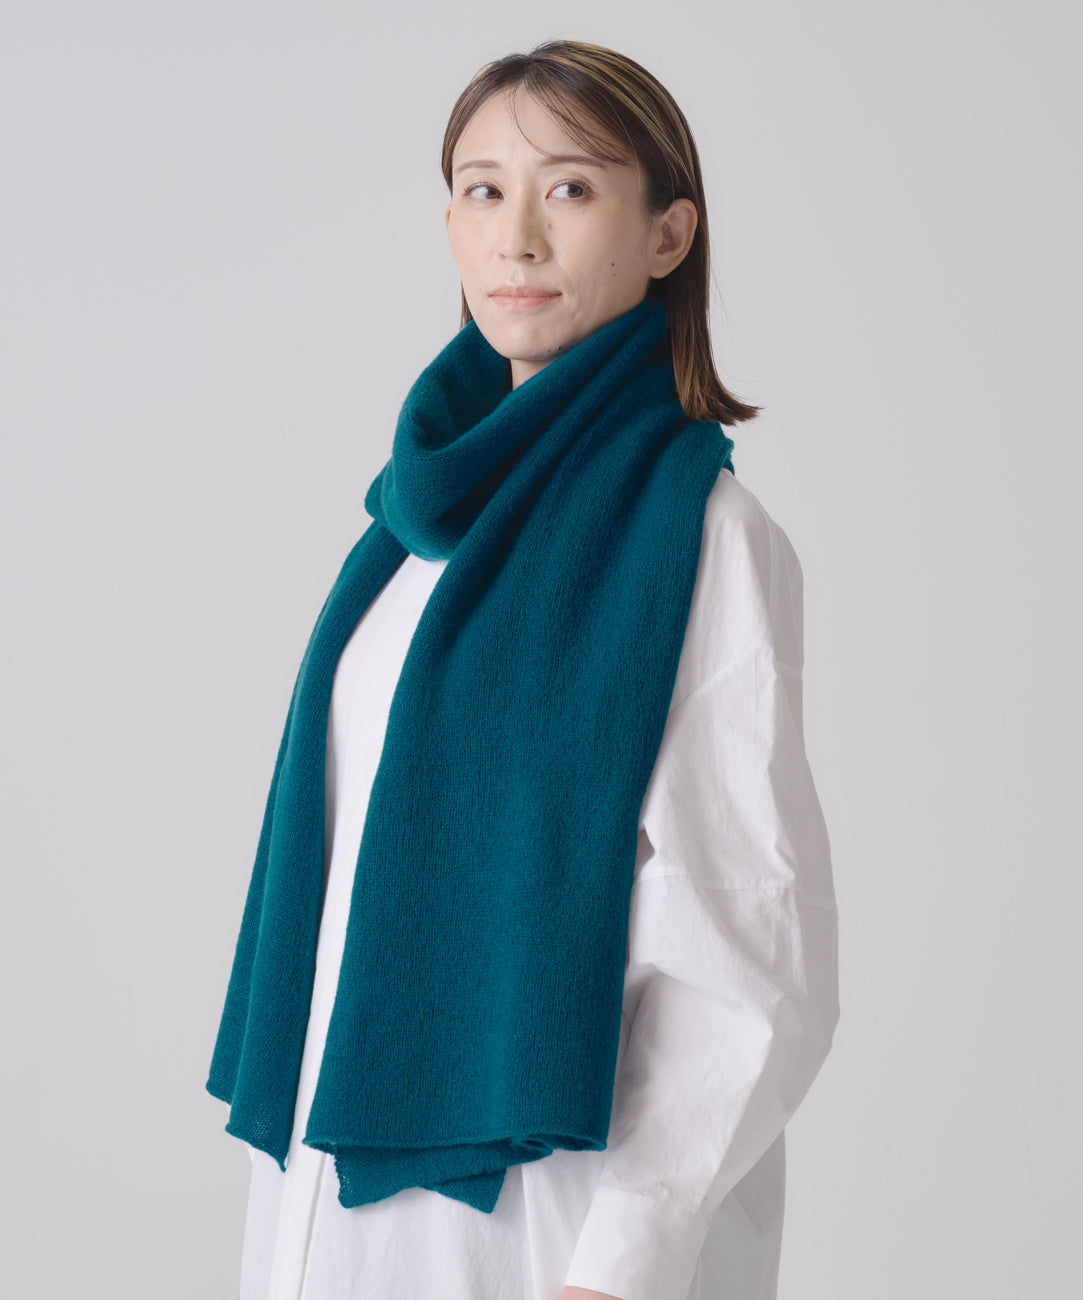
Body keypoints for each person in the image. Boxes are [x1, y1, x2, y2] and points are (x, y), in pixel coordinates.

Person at [207, 38, 840, 1300]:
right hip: (333, 1212)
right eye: (483, 190)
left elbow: (750, 944)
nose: (517, 238)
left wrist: (620, 1265)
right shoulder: (405, 536)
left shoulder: (699, 535)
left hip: (552, 1230)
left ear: (667, 235)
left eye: (571, 188)